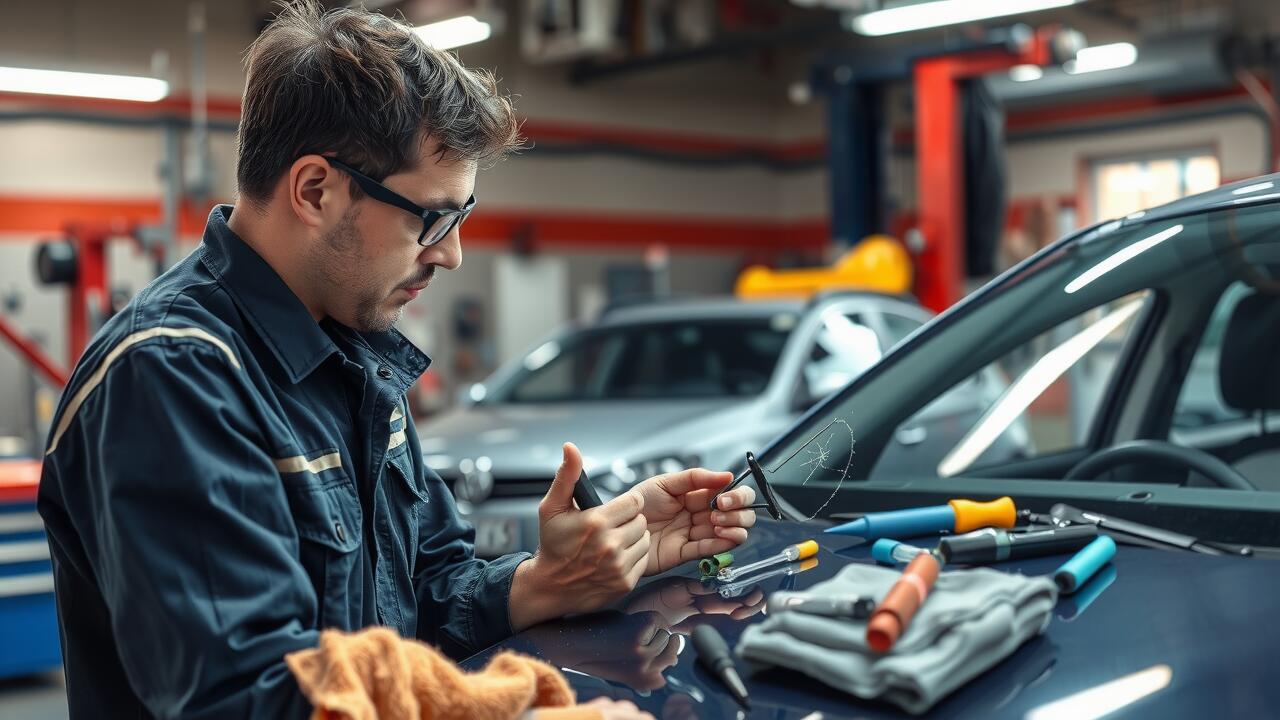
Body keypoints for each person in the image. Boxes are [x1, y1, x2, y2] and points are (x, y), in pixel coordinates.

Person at [36, 2, 756, 717]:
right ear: (315, 190)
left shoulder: (353, 354)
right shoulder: (172, 376)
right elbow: (247, 699)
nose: (451, 252)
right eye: (433, 218)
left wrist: (549, 580)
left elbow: (423, 598)